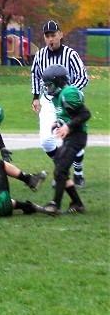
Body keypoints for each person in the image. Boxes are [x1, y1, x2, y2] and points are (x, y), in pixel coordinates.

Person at [30, 20, 88, 187]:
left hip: (67, 101)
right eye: (47, 36)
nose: (50, 39)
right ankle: (62, 169)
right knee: (46, 141)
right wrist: (35, 97)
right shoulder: (40, 55)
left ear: (60, 35)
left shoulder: (71, 54)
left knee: (71, 139)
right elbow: (35, 75)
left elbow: (83, 77)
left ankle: (77, 172)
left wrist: (68, 93)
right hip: (48, 101)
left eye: (53, 35)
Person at [40, 65, 90, 215]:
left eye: (49, 85)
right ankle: (77, 203)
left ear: (59, 81)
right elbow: (67, 115)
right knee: (59, 169)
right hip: (69, 137)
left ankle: (55, 204)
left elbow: (85, 114)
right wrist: (58, 123)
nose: (48, 88)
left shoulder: (68, 93)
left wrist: (68, 126)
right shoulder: (57, 97)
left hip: (77, 136)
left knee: (60, 170)